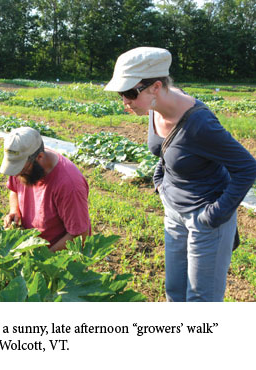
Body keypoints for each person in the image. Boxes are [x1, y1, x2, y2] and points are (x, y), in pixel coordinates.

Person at [105, 46, 256, 302]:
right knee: (174, 292)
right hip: (173, 212)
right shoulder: (154, 107)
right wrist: (159, 182)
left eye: (130, 93)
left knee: (200, 300)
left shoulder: (200, 124)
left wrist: (214, 214)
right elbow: (165, 150)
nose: (125, 102)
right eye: (122, 93)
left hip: (204, 218)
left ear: (155, 87)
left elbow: (247, 167)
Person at [0, 127, 91, 252]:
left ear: (40, 157)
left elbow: (80, 234)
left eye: (21, 170)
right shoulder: (23, 161)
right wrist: (14, 210)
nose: (17, 175)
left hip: (59, 258)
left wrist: (46, 260)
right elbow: (14, 190)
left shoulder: (69, 185)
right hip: (33, 248)